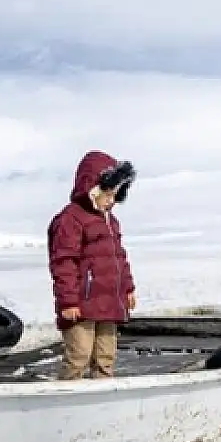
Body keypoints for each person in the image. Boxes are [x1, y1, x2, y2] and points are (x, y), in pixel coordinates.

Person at [46, 150, 138, 379]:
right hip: (81, 304)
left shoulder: (111, 222)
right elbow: (63, 263)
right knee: (79, 355)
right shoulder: (70, 219)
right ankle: (66, 398)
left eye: (115, 195)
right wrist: (68, 301)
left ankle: (101, 401)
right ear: (92, 189)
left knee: (106, 356)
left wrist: (128, 289)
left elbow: (119, 258)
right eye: (108, 194)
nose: (112, 201)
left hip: (109, 301)